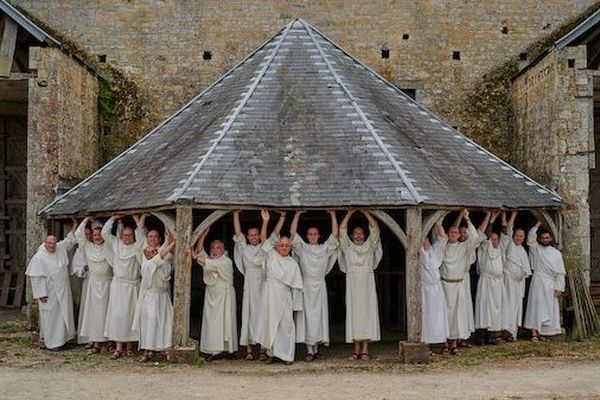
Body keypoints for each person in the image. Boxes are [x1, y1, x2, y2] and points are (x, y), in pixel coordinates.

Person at [232, 209, 285, 361]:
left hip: (263, 283)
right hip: (250, 284)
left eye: (256, 234)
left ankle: (263, 348)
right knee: (248, 314)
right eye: (251, 235)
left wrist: (281, 217)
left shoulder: (265, 247)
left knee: (263, 314)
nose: (254, 237)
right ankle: (249, 349)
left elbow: (275, 233)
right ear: (248, 237)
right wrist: (235, 213)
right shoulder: (245, 248)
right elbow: (237, 233)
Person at [290, 210, 338, 361]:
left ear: (318, 235)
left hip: (319, 286)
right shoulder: (302, 248)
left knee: (318, 317)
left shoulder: (325, 248)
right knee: (307, 318)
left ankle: (316, 348)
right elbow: (292, 234)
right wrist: (297, 215)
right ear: (307, 236)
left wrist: (332, 214)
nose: (312, 236)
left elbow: (335, 235)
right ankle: (309, 350)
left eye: (314, 234)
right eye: (310, 234)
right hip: (306, 286)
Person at [441, 209, 490, 355]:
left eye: (457, 233)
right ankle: (445, 343)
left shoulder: (465, 247)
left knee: (457, 316)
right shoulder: (442, 246)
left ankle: (454, 343)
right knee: (445, 315)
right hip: (445, 285)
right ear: (448, 234)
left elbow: (475, 236)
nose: (455, 235)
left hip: (459, 285)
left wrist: (467, 219)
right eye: (452, 233)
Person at [257, 210, 303, 365]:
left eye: (286, 245)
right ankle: (272, 354)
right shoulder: (271, 255)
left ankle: (287, 356)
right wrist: (265, 221)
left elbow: (296, 287)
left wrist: (296, 305)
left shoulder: (293, 264)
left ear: (290, 247)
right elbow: (263, 240)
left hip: (284, 298)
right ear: (277, 246)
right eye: (281, 245)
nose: (283, 247)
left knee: (285, 326)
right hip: (270, 296)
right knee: (271, 325)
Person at [26, 219, 78, 350]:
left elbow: (70, 240)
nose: (51, 246)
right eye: (49, 243)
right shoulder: (39, 257)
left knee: (64, 316)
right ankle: (52, 343)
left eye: (53, 243)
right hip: (49, 292)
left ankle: (63, 340)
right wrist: (40, 294)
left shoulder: (60, 248)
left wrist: (75, 226)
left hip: (63, 290)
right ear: (45, 243)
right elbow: (36, 277)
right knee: (51, 318)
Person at [338, 209, 382, 361]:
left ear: (364, 235)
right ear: (352, 236)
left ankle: (365, 350)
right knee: (354, 315)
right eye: (355, 233)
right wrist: (350, 213)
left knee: (368, 315)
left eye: (360, 233)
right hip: (353, 284)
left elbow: (375, 228)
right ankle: (356, 349)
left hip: (367, 283)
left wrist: (365, 212)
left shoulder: (370, 245)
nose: (358, 235)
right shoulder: (347, 247)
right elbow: (341, 230)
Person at [102, 214, 146, 359]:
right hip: (119, 286)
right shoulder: (116, 244)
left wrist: (138, 220)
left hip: (133, 286)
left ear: (133, 236)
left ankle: (130, 346)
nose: (127, 237)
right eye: (125, 235)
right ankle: (118, 346)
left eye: (130, 235)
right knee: (118, 316)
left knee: (131, 315)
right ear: (121, 235)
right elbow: (104, 233)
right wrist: (113, 218)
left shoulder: (137, 246)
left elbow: (142, 238)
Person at [193, 228, 238, 361]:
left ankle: (227, 350)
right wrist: (202, 236)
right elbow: (201, 253)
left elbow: (206, 262)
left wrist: (196, 257)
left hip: (225, 296)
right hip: (212, 295)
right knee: (213, 322)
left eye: (218, 248)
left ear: (223, 250)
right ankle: (214, 350)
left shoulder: (226, 261)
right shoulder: (212, 260)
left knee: (225, 322)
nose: (214, 250)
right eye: (212, 247)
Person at [133, 230, 175, 363]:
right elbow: (160, 257)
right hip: (150, 298)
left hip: (162, 297)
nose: (154, 253)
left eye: (155, 251)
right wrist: (174, 243)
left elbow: (165, 262)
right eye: (151, 252)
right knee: (149, 323)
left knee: (165, 322)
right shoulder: (146, 265)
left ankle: (166, 349)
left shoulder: (164, 264)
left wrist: (170, 240)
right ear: (146, 254)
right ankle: (148, 350)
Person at [74, 217, 113, 354]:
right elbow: (78, 234)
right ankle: (96, 341)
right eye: (95, 235)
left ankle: (108, 340)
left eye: (99, 235)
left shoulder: (108, 247)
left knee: (107, 313)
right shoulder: (88, 247)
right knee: (94, 314)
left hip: (107, 284)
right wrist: (86, 220)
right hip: (93, 285)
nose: (97, 237)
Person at [524, 219, 565, 341]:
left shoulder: (557, 254)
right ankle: (534, 333)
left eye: (547, 238)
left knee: (548, 308)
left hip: (550, 285)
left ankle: (543, 332)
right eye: (543, 238)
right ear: (540, 239)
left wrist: (559, 288)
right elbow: (530, 238)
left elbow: (560, 273)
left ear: (550, 239)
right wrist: (537, 224)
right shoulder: (537, 250)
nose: (545, 240)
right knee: (535, 307)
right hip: (538, 282)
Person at [500, 210, 531, 341]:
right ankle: (505, 331)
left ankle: (513, 333)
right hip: (509, 281)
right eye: (517, 236)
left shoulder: (523, 251)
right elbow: (509, 229)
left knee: (516, 307)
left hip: (519, 283)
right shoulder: (510, 245)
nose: (519, 238)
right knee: (507, 306)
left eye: (521, 236)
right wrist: (514, 214)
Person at [474, 211, 504, 345]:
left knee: (495, 311)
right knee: (483, 309)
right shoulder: (485, 247)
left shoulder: (500, 250)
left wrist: (502, 219)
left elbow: (506, 235)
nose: (493, 241)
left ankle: (492, 336)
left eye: (496, 239)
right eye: (492, 239)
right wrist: (491, 221)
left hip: (497, 284)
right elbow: (485, 236)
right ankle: (480, 337)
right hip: (486, 282)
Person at [420, 217, 449, 345]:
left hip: (436, 289)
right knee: (426, 316)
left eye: (426, 239)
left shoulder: (435, 251)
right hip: (425, 289)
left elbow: (443, 239)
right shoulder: (418, 253)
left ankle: (439, 339)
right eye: (422, 240)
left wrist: (439, 224)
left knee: (437, 316)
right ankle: (425, 341)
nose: (425, 242)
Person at [70, 224, 92, 347]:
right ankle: (88, 338)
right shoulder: (80, 250)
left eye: (89, 234)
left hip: (104, 283)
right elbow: (76, 269)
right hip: (88, 283)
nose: (88, 237)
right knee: (88, 310)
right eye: (86, 234)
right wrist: (84, 268)